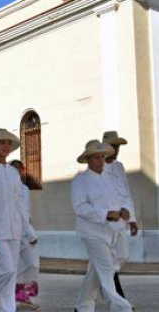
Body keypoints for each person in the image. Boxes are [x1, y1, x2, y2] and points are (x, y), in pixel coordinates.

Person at [71, 140, 133, 312]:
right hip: (92, 232)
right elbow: (80, 207)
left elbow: (123, 197)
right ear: (88, 160)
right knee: (105, 270)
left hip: (115, 230)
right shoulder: (80, 180)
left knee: (117, 259)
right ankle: (122, 307)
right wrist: (105, 213)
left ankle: (83, 305)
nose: (100, 161)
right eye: (96, 157)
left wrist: (126, 210)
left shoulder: (111, 178)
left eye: (102, 157)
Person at [0, 129, 36, 312]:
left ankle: (6, 309)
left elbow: (20, 204)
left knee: (11, 275)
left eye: (8, 143)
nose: (5, 146)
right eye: (1, 142)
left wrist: (28, 231)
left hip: (16, 230)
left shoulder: (13, 173)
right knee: (6, 271)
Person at [102, 130, 138, 300]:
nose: (116, 150)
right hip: (105, 222)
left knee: (122, 254)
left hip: (122, 221)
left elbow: (126, 193)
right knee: (105, 259)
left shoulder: (119, 166)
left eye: (118, 146)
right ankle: (116, 293)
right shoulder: (98, 167)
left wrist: (132, 219)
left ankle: (109, 285)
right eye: (113, 146)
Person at [10, 160, 40, 310]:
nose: (17, 173)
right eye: (13, 170)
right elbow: (19, 212)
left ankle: (24, 295)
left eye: (19, 170)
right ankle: (13, 298)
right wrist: (31, 233)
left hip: (25, 230)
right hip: (16, 232)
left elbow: (25, 212)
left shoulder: (24, 189)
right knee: (14, 267)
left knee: (32, 264)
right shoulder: (10, 189)